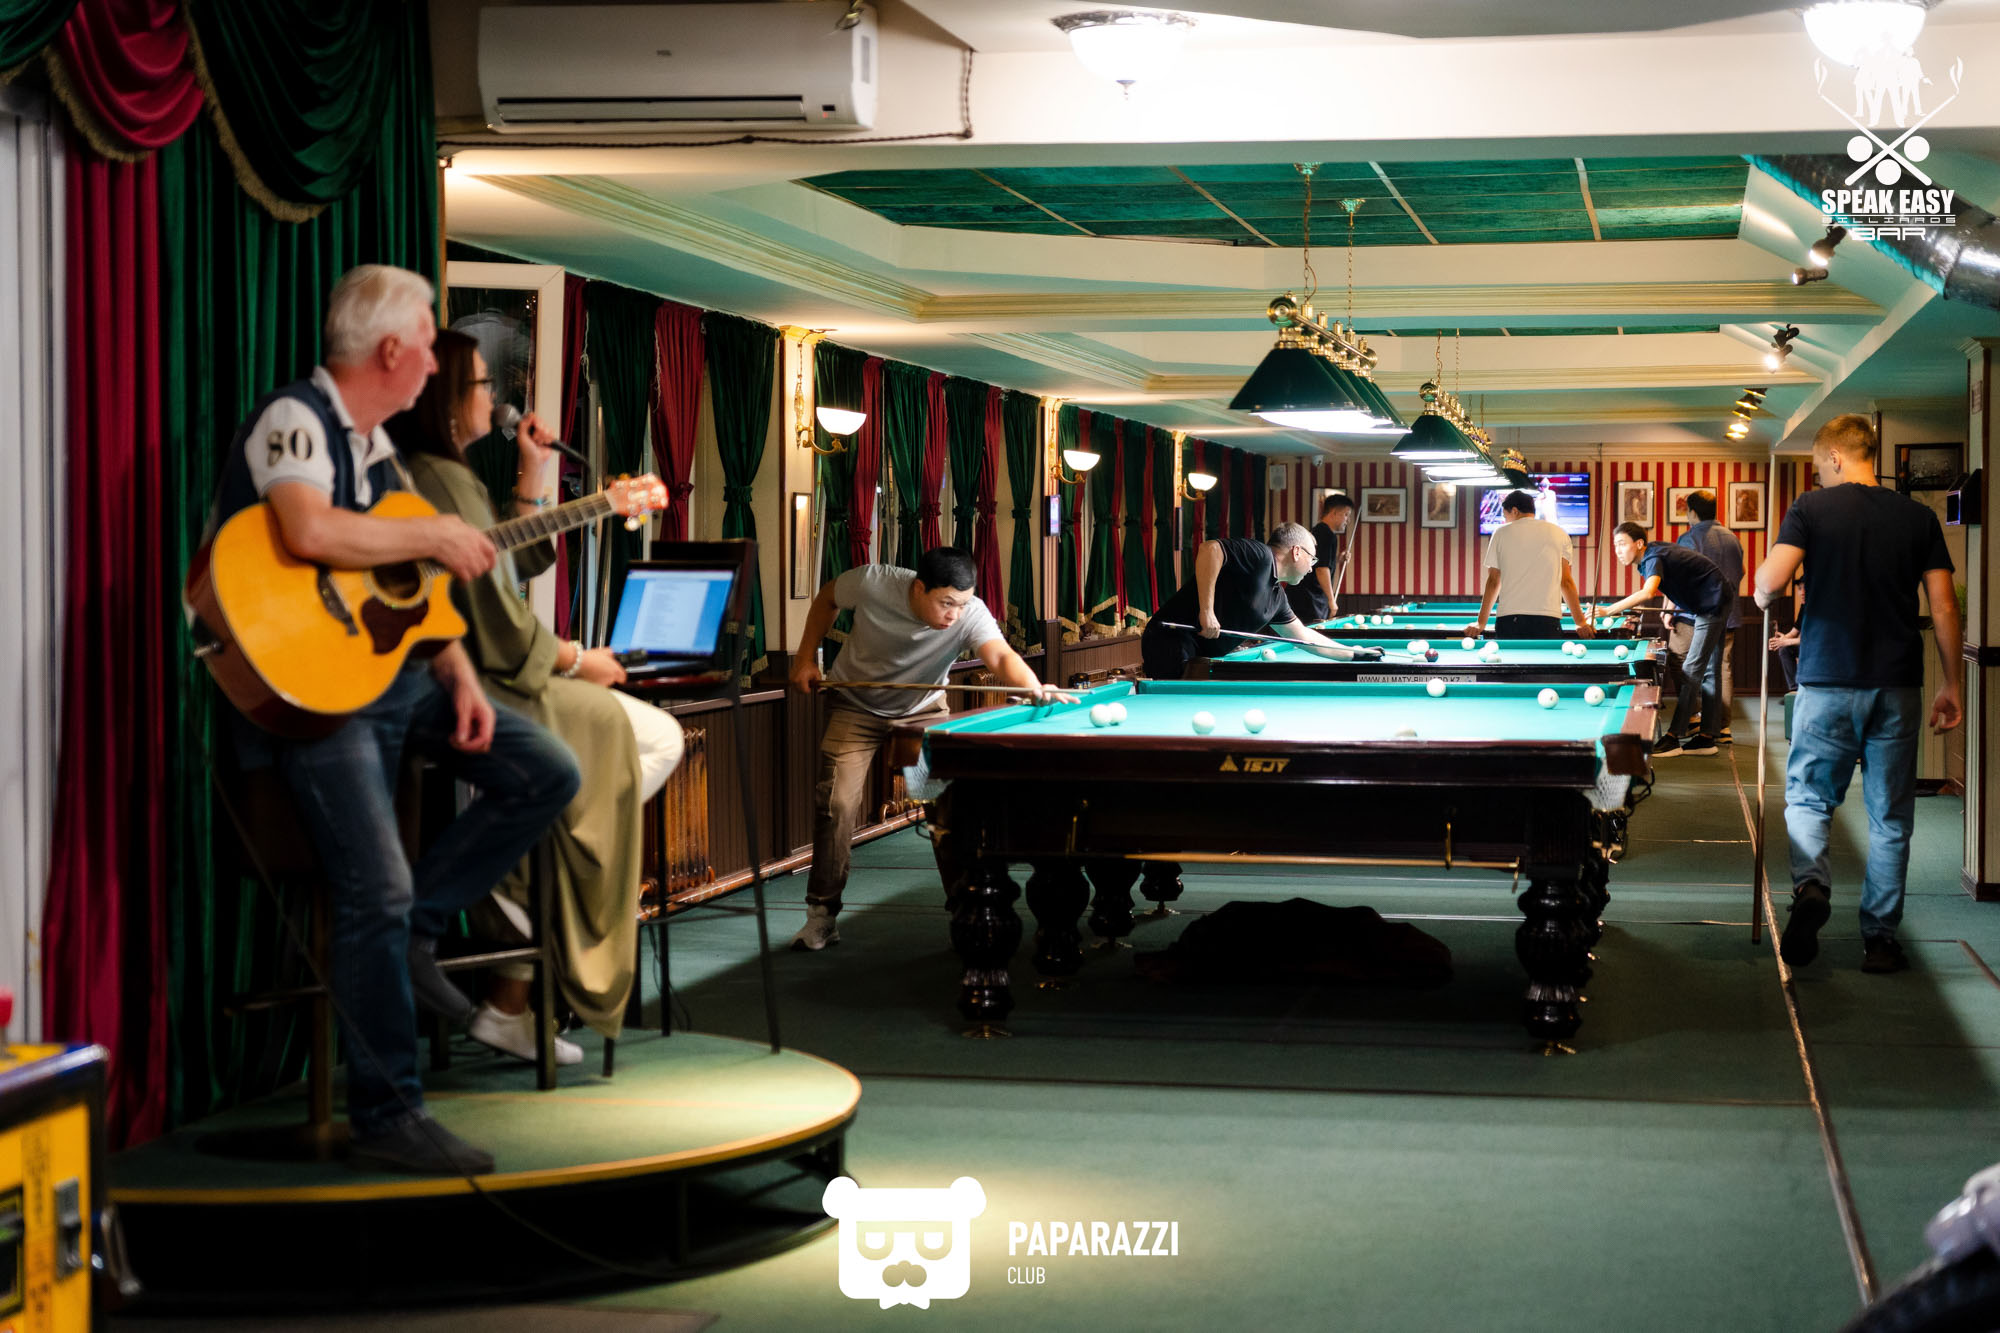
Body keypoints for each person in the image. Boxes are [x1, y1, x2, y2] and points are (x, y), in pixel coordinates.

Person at [201, 266, 581, 1174]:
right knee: (374, 886)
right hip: (307, 697)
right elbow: (309, 530)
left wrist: (459, 674)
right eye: (427, 346)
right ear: (388, 351)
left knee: (546, 770)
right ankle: (388, 1113)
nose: (437, 367)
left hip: (385, 680)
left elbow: (403, 595)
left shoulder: (376, 450)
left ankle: (422, 925)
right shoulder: (295, 418)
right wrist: (433, 534)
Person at [389, 328, 683, 1064]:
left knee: (619, 760)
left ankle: (544, 859)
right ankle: (545, 875)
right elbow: (492, 609)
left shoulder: (444, 472)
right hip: (484, 680)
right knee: (651, 740)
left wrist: (531, 469)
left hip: (486, 672)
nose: (495, 395)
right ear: (449, 400)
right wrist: (576, 658)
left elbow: (502, 560)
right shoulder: (438, 476)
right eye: (483, 383)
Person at [1753, 414, 1961, 975]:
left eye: (1819, 466)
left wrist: (1762, 592)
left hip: (1827, 679)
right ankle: (1880, 941)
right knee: (1890, 817)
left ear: (1836, 457)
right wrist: (1952, 682)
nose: (1819, 477)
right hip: (1898, 683)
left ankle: (1811, 887)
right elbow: (1943, 604)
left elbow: (1770, 583)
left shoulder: (1810, 509)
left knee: (1809, 800)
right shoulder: (1918, 517)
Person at [789, 547, 1074, 951]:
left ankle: (963, 906)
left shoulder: (970, 611)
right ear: (919, 588)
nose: (954, 615)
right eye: (946, 603)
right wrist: (805, 658)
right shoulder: (873, 582)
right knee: (835, 804)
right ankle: (822, 915)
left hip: (923, 711)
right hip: (855, 705)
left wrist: (1033, 687)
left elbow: (999, 654)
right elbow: (826, 599)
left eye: (962, 604)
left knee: (945, 806)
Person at [1140, 524, 1384, 681]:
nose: (1311, 568)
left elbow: (1305, 637)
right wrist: (1207, 611)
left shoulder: (1277, 598)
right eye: (1312, 559)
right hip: (1170, 639)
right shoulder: (1260, 555)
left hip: (1197, 655)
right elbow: (1210, 549)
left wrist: (1355, 654)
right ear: (1296, 552)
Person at [1599, 521, 1732, 756]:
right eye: (1615, 545)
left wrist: (1609, 610)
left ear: (1639, 543)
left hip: (1712, 603)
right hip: (1714, 598)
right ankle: (1707, 737)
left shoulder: (1652, 557)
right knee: (1710, 669)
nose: (1617, 550)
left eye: (1621, 544)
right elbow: (1675, 579)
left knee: (1692, 669)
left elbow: (1648, 591)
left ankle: (1673, 737)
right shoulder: (1652, 555)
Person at [1466, 490, 1593, 641]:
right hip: (1548, 620)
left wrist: (1480, 623)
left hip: (1509, 620)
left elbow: (1494, 581)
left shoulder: (1500, 533)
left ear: (1514, 511)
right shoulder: (1560, 533)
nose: (1505, 520)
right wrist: (1580, 622)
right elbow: (1565, 582)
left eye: (1505, 516)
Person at [1672, 490, 1746, 742]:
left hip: (1696, 614)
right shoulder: (1732, 538)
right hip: (1728, 611)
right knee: (1722, 667)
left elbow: (1681, 578)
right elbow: (1741, 572)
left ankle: (1694, 717)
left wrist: (1671, 610)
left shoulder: (1689, 538)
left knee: (1678, 656)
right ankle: (1721, 727)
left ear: (1692, 512)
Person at [1284, 493, 1354, 624]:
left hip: (1306, 598)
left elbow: (1318, 563)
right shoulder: (1326, 534)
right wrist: (1331, 600)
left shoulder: (1320, 530)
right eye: (1346, 515)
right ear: (1334, 513)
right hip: (1309, 600)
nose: (1348, 520)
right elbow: (1321, 570)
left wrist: (1337, 560)